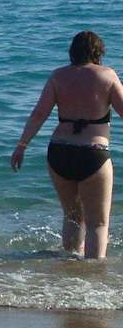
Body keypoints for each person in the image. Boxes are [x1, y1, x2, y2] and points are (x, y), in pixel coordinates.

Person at [12, 31, 122, 259]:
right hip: (93, 153)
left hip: (59, 152)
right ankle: (92, 276)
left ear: (72, 51)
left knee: (73, 216)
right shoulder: (107, 76)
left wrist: (22, 145)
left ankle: (69, 267)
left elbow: (39, 114)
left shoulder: (57, 76)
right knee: (98, 223)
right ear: (98, 52)